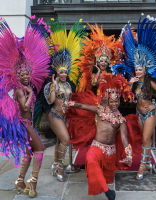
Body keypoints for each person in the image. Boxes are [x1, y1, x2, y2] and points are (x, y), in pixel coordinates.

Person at [113, 16, 156, 180]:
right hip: (139, 114)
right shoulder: (133, 84)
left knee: (147, 138)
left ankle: (143, 166)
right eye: (137, 69)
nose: (138, 71)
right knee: (144, 140)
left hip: (150, 114)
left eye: (140, 69)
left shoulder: (150, 83)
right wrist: (128, 85)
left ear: (145, 70)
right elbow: (128, 98)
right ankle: (146, 162)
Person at [63, 72, 141, 200]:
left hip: (110, 153)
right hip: (97, 147)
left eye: (117, 101)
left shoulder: (121, 120)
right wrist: (69, 103)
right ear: (108, 101)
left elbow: (124, 139)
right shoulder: (99, 110)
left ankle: (106, 186)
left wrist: (129, 154)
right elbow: (82, 106)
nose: (115, 104)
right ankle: (108, 193)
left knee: (107, 178)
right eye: (112, 101)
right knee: (90, 159)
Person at [0, 16, 50, 197]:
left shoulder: (26, 87)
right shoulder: (21, 91)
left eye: (27, 74)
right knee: (40, 149)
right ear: (17, 77)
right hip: (25, 124)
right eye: (22, 75)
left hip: (28, 124)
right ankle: (33, 182)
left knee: (29, 154)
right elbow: (26, 108)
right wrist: (29, 94)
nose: (26, 77)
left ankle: (20, 180)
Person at [44, 19, 86, 181]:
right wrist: (53, 86)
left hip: (65, 116)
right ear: (57, 72)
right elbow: (51, 100)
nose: (63, 74)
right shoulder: (52, 85)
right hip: (54, 114)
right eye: (61, 72)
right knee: (66, 140)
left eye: (65, 72)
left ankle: (55, 164)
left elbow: (70, 99)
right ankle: (60, 166)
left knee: (60, 140)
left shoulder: (69, 84)